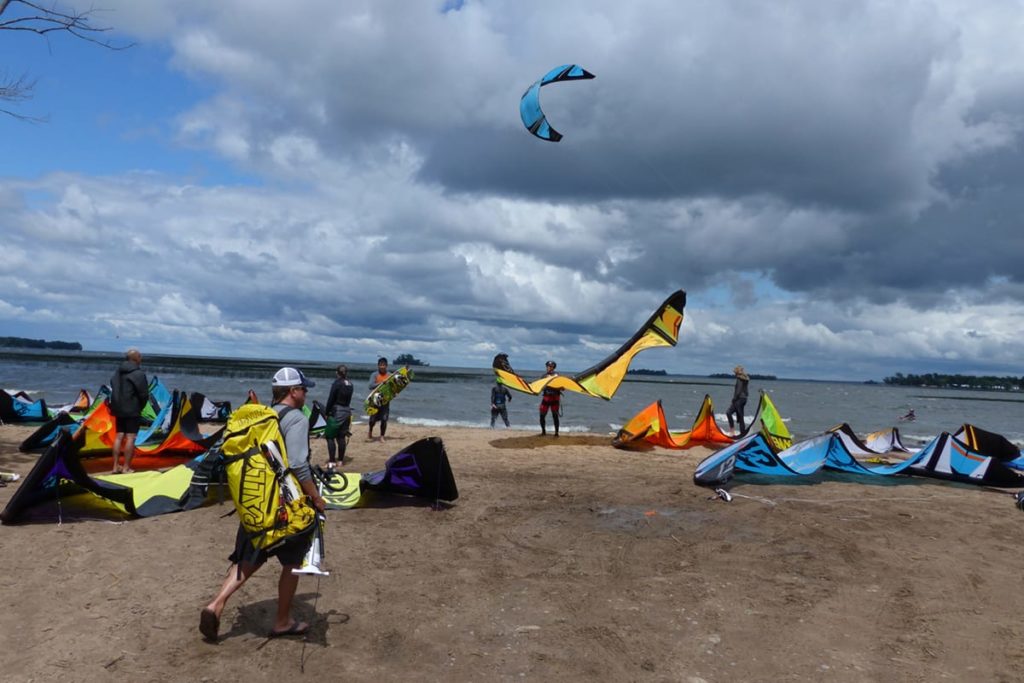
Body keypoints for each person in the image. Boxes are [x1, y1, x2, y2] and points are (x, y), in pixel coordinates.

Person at [200, 367, 327, 642]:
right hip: (285, 505)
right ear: (293, 391)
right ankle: (282, 621)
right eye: (304, 389)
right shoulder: (295, 419)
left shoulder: (264, 417)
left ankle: (217, 602)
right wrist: (315, 497)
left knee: (249, 557)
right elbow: (297, 465)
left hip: (255, 500)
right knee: (292, 562)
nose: (306, 393)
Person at [109, 348, 148, 474]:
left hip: (117, 407)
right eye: (140, 356)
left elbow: (113, 385)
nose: (141, 358)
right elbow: (144, 394)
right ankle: (126, 467)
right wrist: (140, 407)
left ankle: (115, 466)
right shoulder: (138, 374)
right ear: (135, 358)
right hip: (132, 408)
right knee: (131, 437)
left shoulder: (117, 372)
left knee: (119, 436)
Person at [324, 364, 353, 467]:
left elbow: (331, 399)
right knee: (341, 437)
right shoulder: (350, 384)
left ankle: (332, 461)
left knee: (329, 436)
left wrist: (327, 412)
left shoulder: (336, 383)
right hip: (347, 411)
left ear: (337, 373)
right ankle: (340, 461)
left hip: (337, 411)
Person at [368, 357, 391, 442]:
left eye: (384, 365)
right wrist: (381, 383)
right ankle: (370, 430)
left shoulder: (389, 375)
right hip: (375, 400)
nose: (382, 367)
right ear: (378, 366)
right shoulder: (374, 375)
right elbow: (370, 386)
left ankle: (382, 436)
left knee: (384, 419)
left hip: (385, 401)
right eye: (380, 365)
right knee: (372, 420)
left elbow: (393, 387)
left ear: (386, 366)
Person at [539, 360, 562, 437]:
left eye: (550, 366)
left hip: (555, 398)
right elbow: (540, 387)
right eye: (548, 366)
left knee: (555, 416)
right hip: (546, 398)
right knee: (542, 416)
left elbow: (562, 388)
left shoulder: (557, 376)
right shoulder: (543, 376)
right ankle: (543, 432)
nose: (548, 367)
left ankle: (556, 433)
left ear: (553, 367)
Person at [726, 365, 750, 434]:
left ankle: (732, 431)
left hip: (739, 399)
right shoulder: (745, 379)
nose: (734, 374)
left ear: (737, 372)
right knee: (741, 415)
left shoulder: (739, 379)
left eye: (735, 372)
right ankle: (742, 432)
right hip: (744, 399)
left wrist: (734, 399)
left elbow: (738, 391)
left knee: (728, 412)